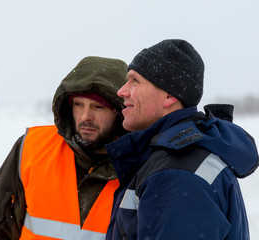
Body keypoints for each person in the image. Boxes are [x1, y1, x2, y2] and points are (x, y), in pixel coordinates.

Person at [105, 39, 259, 240]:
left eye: (135, 81)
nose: (122, 91)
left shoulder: (175, 172)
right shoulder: (181, 157)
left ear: (169, 96)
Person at [0, 56, 128, 240]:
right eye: (78, 104)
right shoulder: (32, 148)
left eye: (98, 107)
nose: (86, 116)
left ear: (119, 112)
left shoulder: (139, 164)